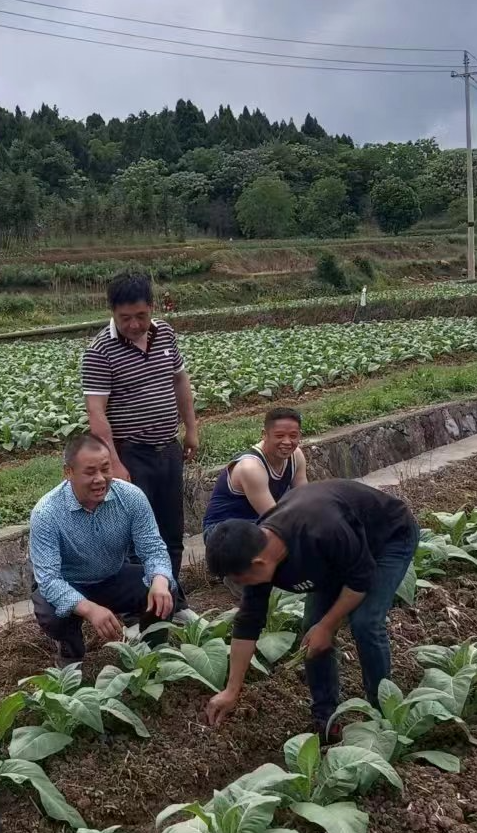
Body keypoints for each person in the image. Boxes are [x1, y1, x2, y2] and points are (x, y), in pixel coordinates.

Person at [202, 479, 420, 736]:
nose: (240, 586)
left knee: (365, 622)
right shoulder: (256, 554)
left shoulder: (320, 530)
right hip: (338, 558)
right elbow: (247, 624)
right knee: (311, 631)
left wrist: (328, 626)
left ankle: (385, 713)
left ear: (258, 563)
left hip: (388, 538)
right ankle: (325, 718)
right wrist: (231, 689)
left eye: (239, 580)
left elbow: (360, 580)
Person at [82, 271, 198, 608]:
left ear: (152, 307)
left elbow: (180, 382)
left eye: (141, 316)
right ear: (113, 313)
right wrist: (114, 464)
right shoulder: (100, 351)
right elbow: (97, 414)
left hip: (168, 448)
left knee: (171, 531)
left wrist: (190, 429)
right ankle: (141, 606)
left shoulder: (165, 335)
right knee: (136, 535)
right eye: (125, 318)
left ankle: (171, 598)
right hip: (131, 454)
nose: (134, 325)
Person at [30, 432, 176, 663]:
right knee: (52, 614)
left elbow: (153, 548)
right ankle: (70, 653)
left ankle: (154, 654)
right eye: (89, 472)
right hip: (70, 582)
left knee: (164, 588)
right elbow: (48, 579)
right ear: (68, 473)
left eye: (105, 469)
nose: (100, 479)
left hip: (112, 575)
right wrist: (89, 609)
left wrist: (159, 579)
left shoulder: (131, 497)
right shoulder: (47, 513)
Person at [202, 406, 309, 537]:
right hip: (223, 531)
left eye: (293, 436)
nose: (287, 442)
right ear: (264, 434)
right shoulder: (251, 467)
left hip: (260, 523)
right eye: (279, 436)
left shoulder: (296, 456)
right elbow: (274, 518)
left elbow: (304, 501)